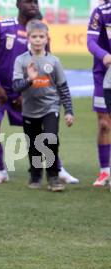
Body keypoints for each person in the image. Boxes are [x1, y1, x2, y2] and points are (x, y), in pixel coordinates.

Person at [0, 0, 78, 184]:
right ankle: (1, 171)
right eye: (28, 1)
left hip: (26, 90)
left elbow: (45, 65)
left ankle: (57, 168)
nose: (33, 4)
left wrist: (24, 91)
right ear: (18, 4)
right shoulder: (1, 27)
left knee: (42, 132)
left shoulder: (40, 33)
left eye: (35, 2)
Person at [12, 20, 74, 191]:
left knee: (50, 139)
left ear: (47, 38)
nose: (38, 39)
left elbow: (63, 87)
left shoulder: (54, 61)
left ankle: (53, 177)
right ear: (28, 38)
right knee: (33, 144)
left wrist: (69, 110)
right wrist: (30, 79)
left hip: (51, 107)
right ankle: (35, 175)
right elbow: (16, 87)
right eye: (34, 36)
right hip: (29, 110)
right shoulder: (21, 61)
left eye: (41, 36)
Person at [87, 0, 111, 186]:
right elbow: (91, 42)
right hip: (104, 75)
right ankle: (105, 172)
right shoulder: (101, 12)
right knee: (104, 124)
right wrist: (104, 55)